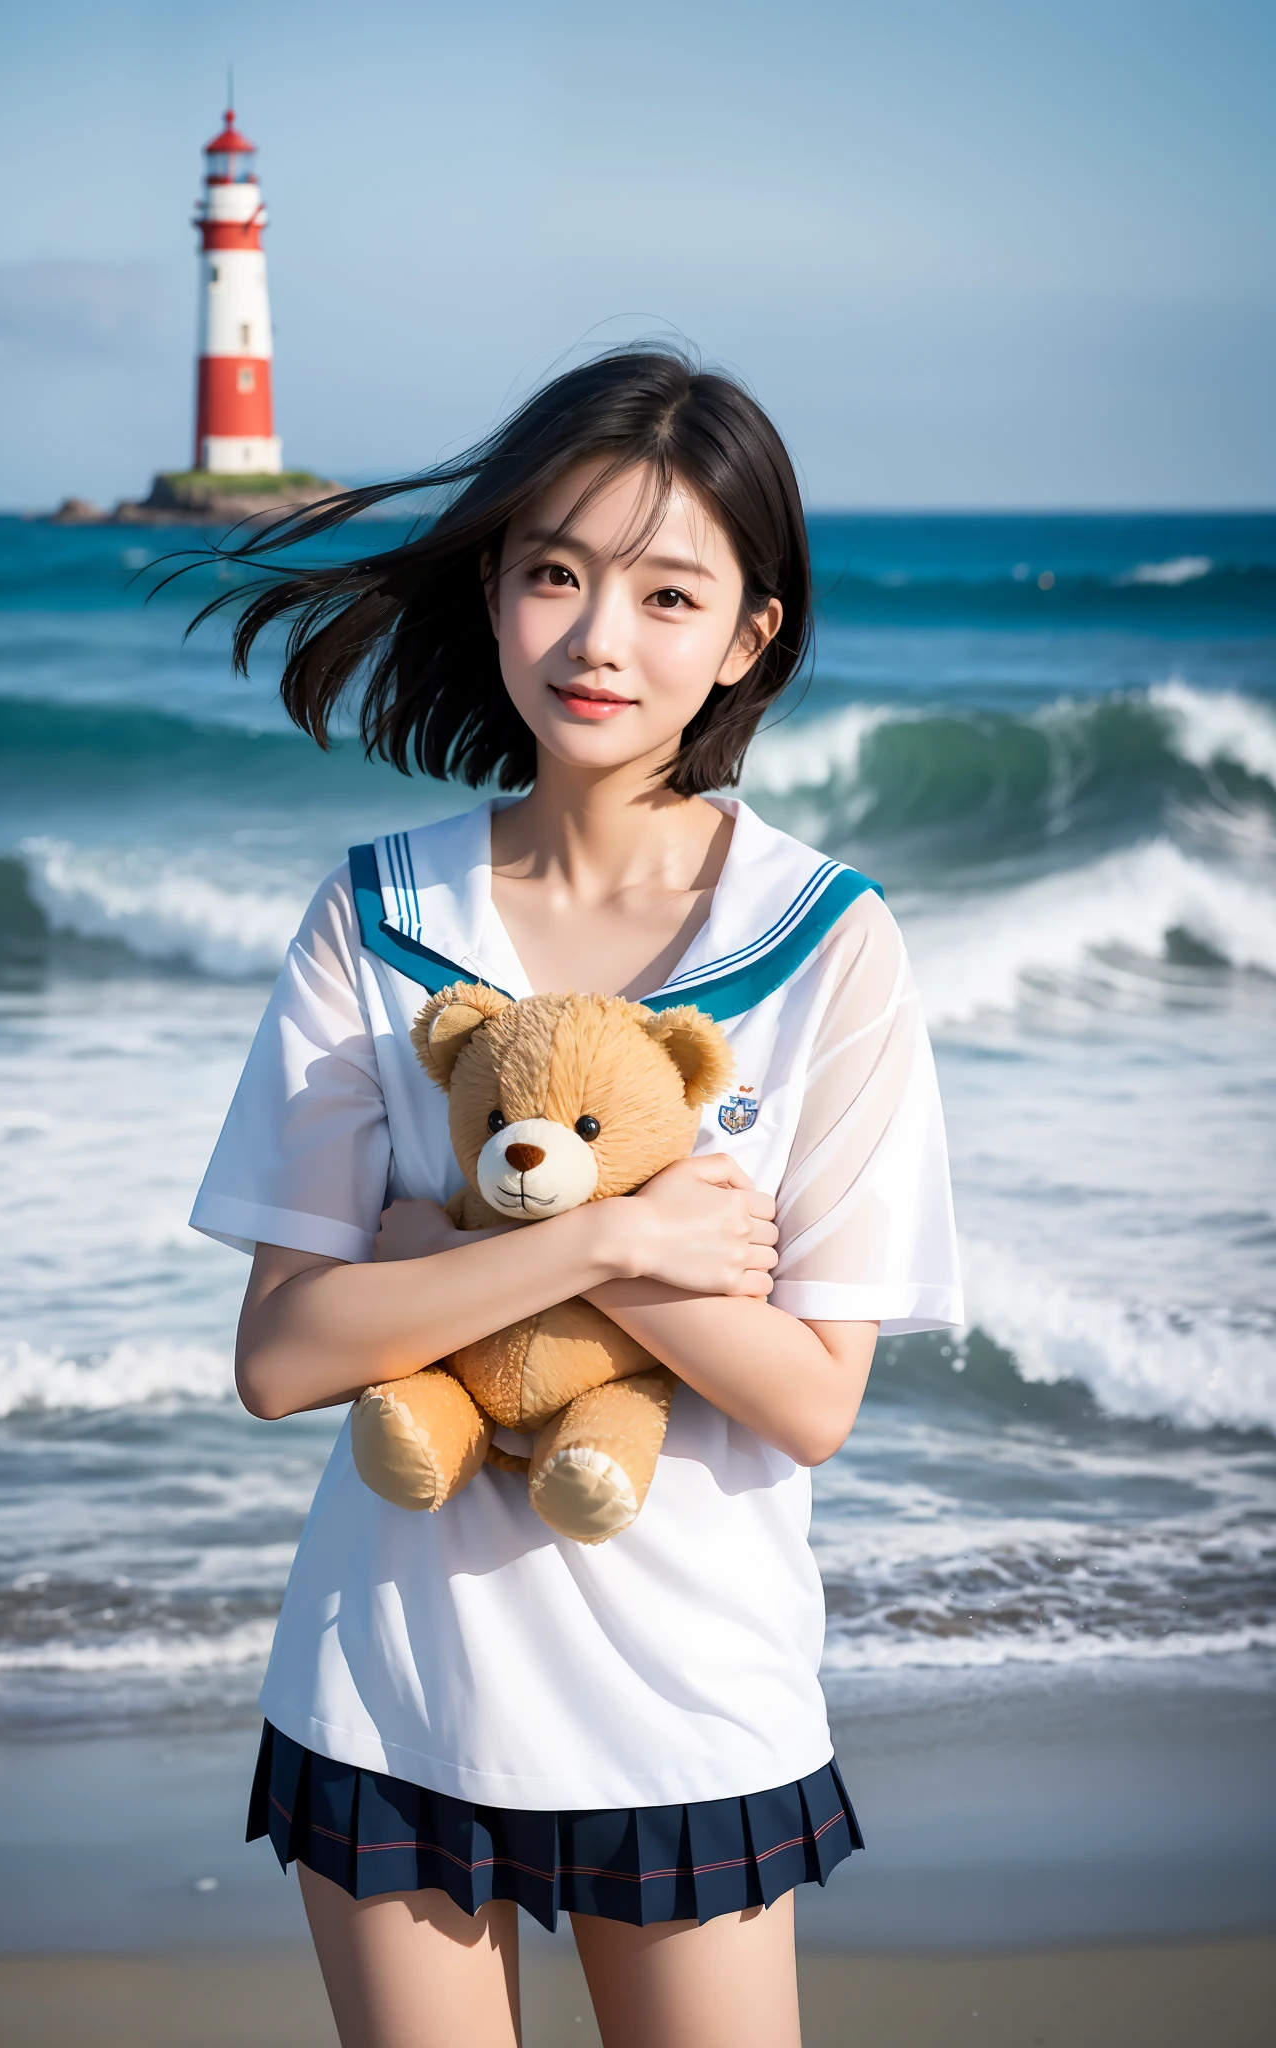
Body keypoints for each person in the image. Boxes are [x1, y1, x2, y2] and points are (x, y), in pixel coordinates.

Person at [189, 349, 963, 2047]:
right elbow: (282, 1358)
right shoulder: (378, 915)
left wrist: (439, 1249)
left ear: (750, 633)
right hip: (389, 1678)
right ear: (494, 587)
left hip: (693, 1689)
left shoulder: (832, 943)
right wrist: (615, 1235)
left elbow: (811, 1396)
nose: (600, 638)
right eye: (555, 572)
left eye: (669, 592)